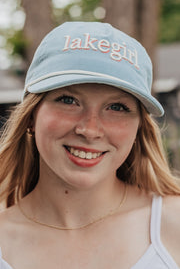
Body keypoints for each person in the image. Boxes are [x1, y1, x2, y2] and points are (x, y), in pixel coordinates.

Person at [0, 21, 180, 269]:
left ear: (139, 128)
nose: (90, 129)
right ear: (31, 116)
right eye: (68, 100)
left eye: (117, 107)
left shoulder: (173, 223)